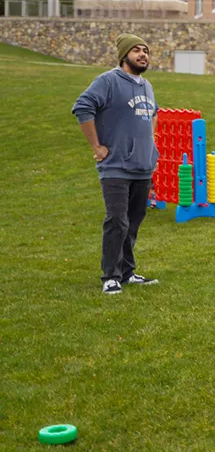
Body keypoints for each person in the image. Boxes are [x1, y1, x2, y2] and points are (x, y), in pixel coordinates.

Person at [72, 34, 160, 294]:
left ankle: (127, 272)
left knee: (133, 221)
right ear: (124, 56)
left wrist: (150, 141)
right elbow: (82, 107)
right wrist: (96, 147)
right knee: (117, 221)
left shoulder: (146, 86)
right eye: (136, 50)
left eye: (146, 50)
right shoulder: (108, 81)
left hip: (143, 167)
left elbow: (154, 112)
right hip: (116, 167)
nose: (143, 54)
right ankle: (110, 276)